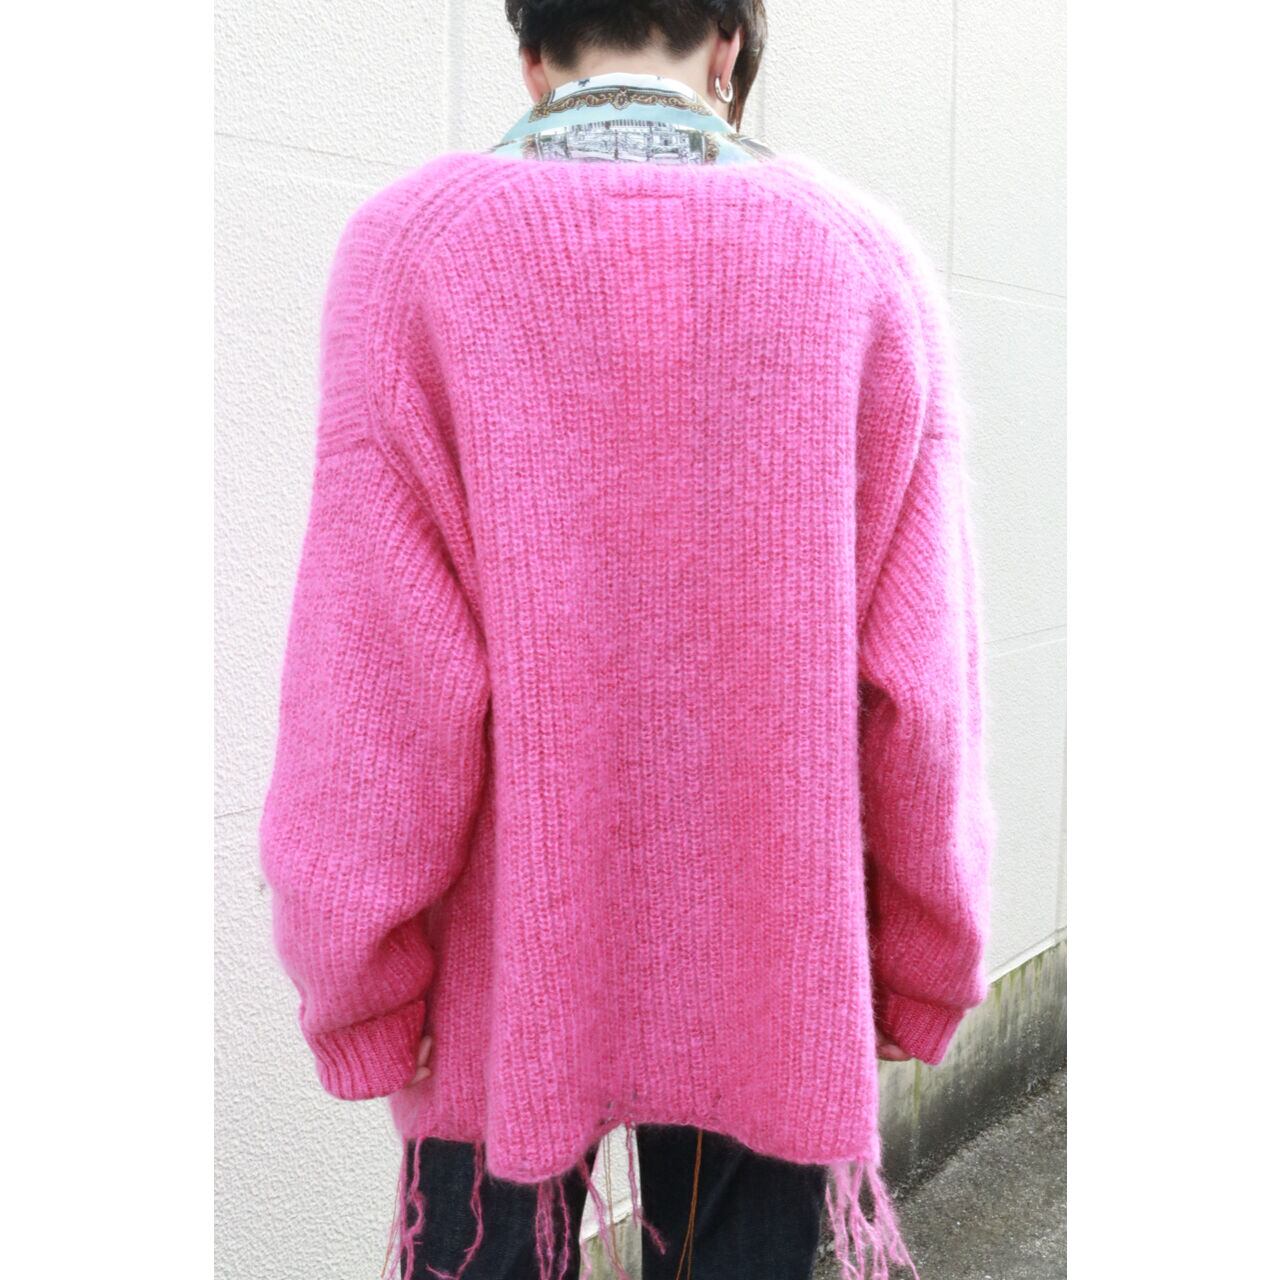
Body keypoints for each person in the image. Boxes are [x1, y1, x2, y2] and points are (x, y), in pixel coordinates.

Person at [259, 3, 996, 1278]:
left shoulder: (413, 254)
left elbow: (372, 676)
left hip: (503, 973)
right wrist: (922, 955)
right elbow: (920, 686)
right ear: (726, 50)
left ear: (531, 60)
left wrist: (358, 975)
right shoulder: (861, 260)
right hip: (772, 958)